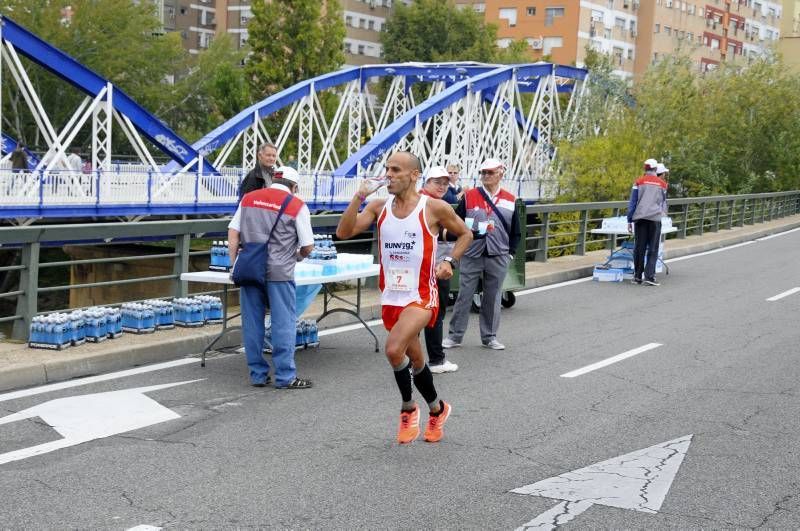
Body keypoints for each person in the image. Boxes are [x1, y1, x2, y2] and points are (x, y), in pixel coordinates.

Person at [336, 151, 472, 444]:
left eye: (396, 170)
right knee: (416, 359)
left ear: (414, 175)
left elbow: (465, 234)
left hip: (421, 296)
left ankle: (408, 408)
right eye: (387, 169)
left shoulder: (433, 208)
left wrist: (450, 262)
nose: (388, 175)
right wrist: (358, 197)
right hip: (392, 297)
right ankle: (437, 409)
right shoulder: (377, 207)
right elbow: (344, 231)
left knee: (393, 349)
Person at [228, 166, 315, 388]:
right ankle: (285, 377)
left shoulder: (249, 198)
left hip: (249, 269)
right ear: (294, 187)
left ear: (273, 180)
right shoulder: (296, 205)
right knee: (283, 323)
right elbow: (308, 246)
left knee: (252, 323)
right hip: (280, 272)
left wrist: (233, 264)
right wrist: (296, 257)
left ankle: (258, 374)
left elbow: (233, 232)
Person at [443, 158, 521, 351]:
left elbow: (516, 231)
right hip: (472, 252)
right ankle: (455, 336)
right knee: (464, 295)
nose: (486, 176)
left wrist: (510, 253)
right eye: (483, 173)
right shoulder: (469, 196)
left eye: (490, 172)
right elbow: (457, 223)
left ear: (500, 174)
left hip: (499, 254)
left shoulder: (511, 199)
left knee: (493, 297)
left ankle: (489, 337)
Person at [419, 166, 459, 374]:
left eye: (445, 183)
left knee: (419, 314)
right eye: (437, 182)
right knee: (432, 313)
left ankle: (418, 361)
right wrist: (464, 233)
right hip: (432, 266)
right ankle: (434, 360)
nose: (442, 186)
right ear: (426, 182)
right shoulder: (428, 204)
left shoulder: (421, 201)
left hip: (429, 264)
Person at [627, 158, 668, 286]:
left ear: (645, 169)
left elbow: (633, 202)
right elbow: (663, 202)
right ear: (655, 169)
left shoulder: (638, 182)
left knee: (640, 248)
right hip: (655, 218)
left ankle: (637, 276)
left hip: (640, 218)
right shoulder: (662, 184)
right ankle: (649, 276)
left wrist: (629, 219)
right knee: (653, 248)